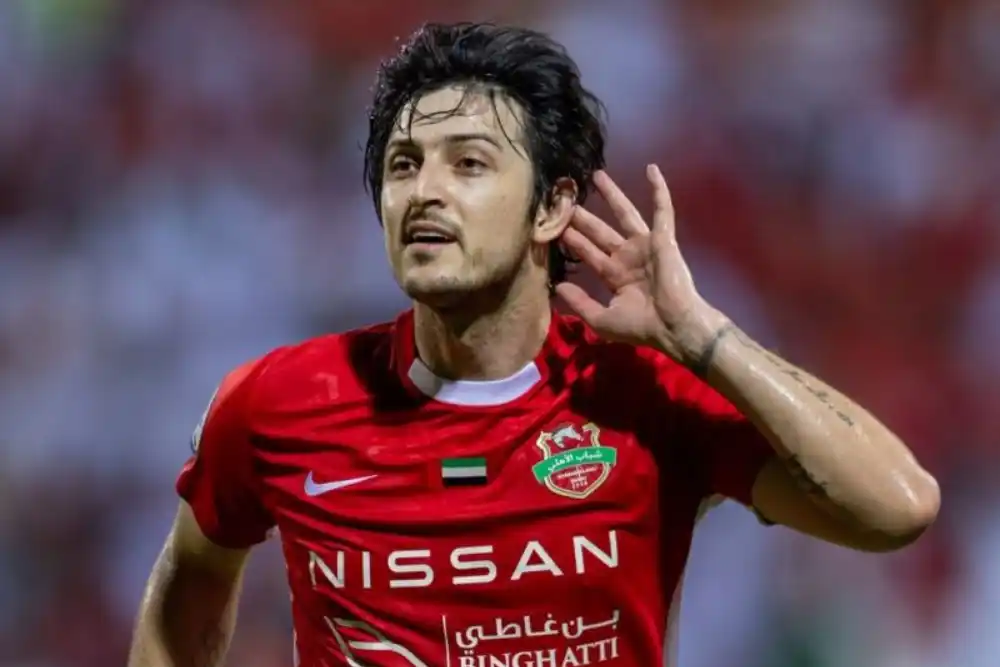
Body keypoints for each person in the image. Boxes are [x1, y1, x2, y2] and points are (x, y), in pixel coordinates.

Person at [127, 22, 940, 667]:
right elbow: (189, 588)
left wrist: (702, 336)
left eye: (469, 163)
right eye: (403, 165)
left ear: (551, 208)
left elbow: (896, 509)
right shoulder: (277, 402)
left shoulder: (645, 393)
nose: (425, 191)